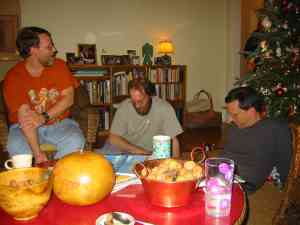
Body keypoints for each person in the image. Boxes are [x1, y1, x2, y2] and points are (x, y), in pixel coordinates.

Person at [3, 26, 85, 164]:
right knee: (16, 146)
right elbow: (25, 118)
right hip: (24, 128)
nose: (54, 50)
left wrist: (43, 117)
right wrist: (38, 154)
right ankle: (31, 181)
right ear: (33, 51)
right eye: (49, 47)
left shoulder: (59, 65)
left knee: (75, 140)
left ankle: (59, 177)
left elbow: (68, 99)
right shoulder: (13, 77)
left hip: (59, 124)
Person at [98, 79, 183, 172]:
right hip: (123, 148)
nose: (137, 106)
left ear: (150, 95)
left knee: (152, 170)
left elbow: (174, 141)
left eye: (141, 101)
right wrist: (141, 151)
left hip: (150, 155)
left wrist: (176, 166)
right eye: (133, 101)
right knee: (102, 166)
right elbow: (113, 138)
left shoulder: (165, 108)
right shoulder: (124, 107)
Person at [221, 86, 292, 195]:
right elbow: (225, 155)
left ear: (252, 111)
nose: (231, 119)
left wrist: (282, 186)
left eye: (235, 115)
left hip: (242, 184)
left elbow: (285, 162)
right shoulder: (234, 127)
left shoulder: (276, 128)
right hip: (222, 175)